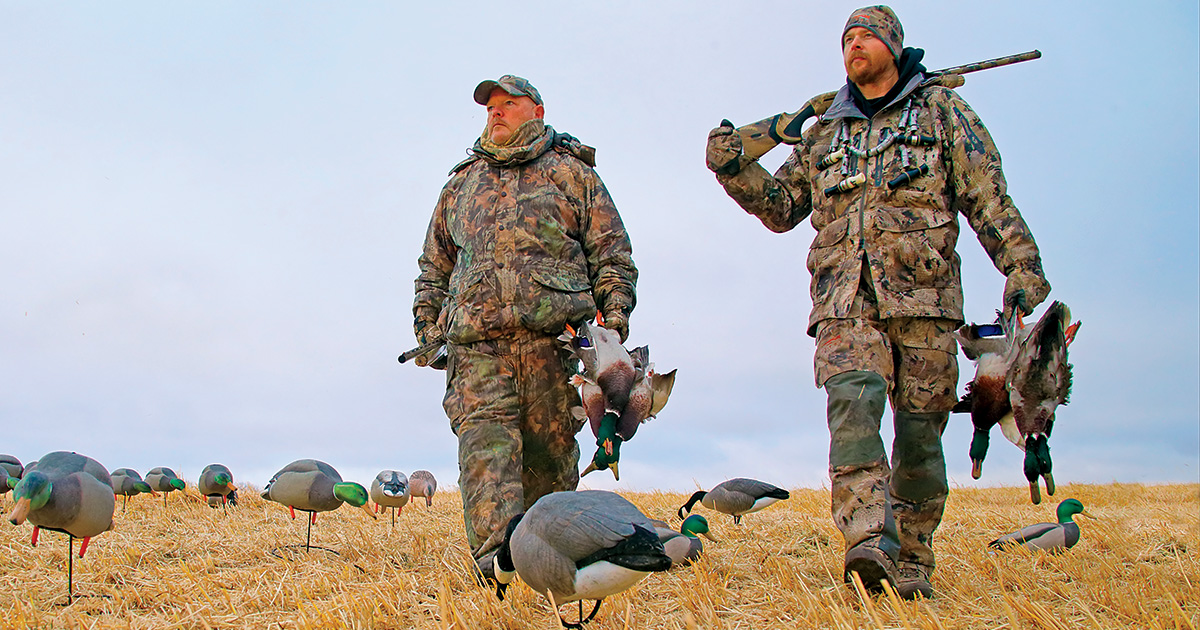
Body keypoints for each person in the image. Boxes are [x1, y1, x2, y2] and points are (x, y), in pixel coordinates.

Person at [705, 6, 1050, 599]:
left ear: (894, 45)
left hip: (926, 305)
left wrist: (1022, 269)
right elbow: (784, 207)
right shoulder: (823, 132)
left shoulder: (941, 113)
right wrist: (734, 165)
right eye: (846, 39)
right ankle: (867, 539)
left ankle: (913, 557)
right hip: (844, 302)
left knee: (920, 437)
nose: (854, 45)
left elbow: (988, 198)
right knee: (852, 408)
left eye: (866, 35)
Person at [412, 75, 637, 579]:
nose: (496, 113)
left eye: (507, 104)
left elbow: (612, 255)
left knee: (549, 463)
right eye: (490, 107)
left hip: (555, 347)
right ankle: (499, 569)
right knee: (485, 453)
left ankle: (547, 564)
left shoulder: (573, 175)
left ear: (536, 110)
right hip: (478, 350)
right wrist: (428, 330)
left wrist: (614, 321)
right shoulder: (460, 186)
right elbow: (434, 268)